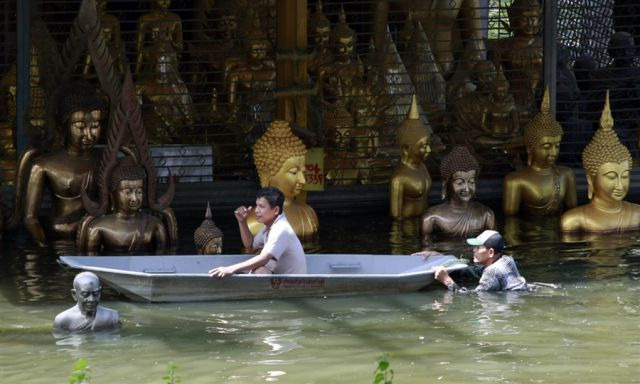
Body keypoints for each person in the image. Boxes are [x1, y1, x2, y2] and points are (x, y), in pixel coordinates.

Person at [209, 187, 306, 278]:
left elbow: (263, 258)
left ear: (276, 210)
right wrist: (242, 221)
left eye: (261, 207)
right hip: (280, 281)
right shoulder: (267, 227)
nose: (256, 210)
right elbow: (250, 247)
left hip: (293, 285)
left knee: (260, 271)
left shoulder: (281, 229)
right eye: (257, 205)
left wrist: (231, 269)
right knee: (257, 269)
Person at [79, 156, 169, 254]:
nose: (134, 198)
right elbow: (91, 263)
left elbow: (163, 260)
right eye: (127, 192)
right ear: (112, 195)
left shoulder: (154, 224)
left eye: (139, 192)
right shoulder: (98, 227)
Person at [430, 230, 528, 292]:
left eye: (478, 247)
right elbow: (475, 270)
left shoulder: (491, 272)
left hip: (515, 298)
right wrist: (439, 256)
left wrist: (446, 280)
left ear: (490, 252)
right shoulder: (506, 259)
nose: (474, 250)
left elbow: (471, 297)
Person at [53, 272, 120, 332]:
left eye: (96, 293)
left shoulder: (111, 317)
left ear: (100, 292)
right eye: (85, 294)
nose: (91, 299)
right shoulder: (63, 320)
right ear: (74, 294)